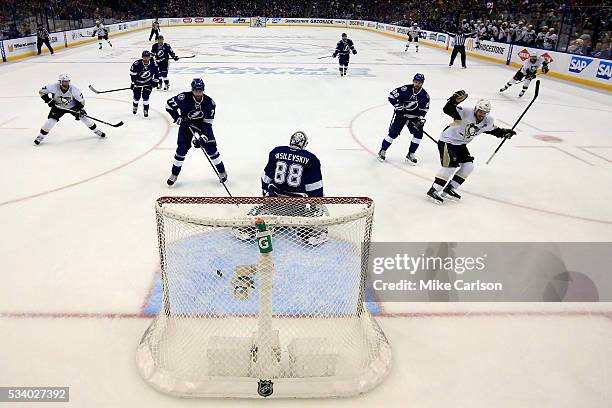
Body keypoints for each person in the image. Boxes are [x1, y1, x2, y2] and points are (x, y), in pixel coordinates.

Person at [426, 91, 515, 204]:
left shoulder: (487, 121)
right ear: (476, 109)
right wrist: (453, 101)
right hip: (448, 141)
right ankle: (434, 190)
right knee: (451, 166)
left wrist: (504, 133)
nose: (481, 114)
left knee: (468, 166)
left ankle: (450, 189)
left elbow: (492, 130)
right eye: (480, 111)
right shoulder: (466, 112)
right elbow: (448, 109)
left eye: (484, 112)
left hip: (461, 144)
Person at [165, 78, 227, 186]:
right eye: (196, 90)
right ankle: (174, 174)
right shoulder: (183, 98)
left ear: (203, 90)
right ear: (192, 90)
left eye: (200, 90)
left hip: (202, 126)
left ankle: (222, 172)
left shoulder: (210, 103)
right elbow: (168, 106)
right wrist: (177, 117)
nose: (198, 92)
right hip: (186, 125)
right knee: (181, 149)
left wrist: (202, 137)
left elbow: (207, 124)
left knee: (211, 148)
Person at [34, 74, 105, 145]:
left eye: (67, 81)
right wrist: (48, 100)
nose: (66, 83)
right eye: (64, 82)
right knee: (50, 122)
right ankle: (40, 136)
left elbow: (82, 101)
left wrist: (79, 109)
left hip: (73, 107)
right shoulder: (53, 87)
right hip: (58, 107)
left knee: (85, 118)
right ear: (60, 81)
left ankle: (96, 131)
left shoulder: (74, 89)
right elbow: (41, 91)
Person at [377, 73, 430, 164]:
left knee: (418, 135)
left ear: (422, 83)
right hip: (401, 116)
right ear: (413, 81)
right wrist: (397, 106)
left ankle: (411, 153)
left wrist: (420, 119)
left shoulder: (424, 95)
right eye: (416, 82)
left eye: (420, 82)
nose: (417, 84)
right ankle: (382, 150)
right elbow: (391, 96)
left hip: (414, 118)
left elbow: (424, 109)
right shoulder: (405, 89)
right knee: (393, 134)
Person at [261, 131, 323, 197]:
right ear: (305, 144)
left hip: (275, 196)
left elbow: (266, 177)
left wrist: (265, 190)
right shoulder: (312, 159)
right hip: (297, 201)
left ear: (291, 141)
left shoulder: (276, 151)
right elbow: (315, 187)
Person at [130, 50, 160, 117]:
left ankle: (145, 109)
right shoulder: (137, 63)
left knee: (145, 96)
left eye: (147, 57)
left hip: (148, 83)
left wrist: (156, 81)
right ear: (142, 57)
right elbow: (133, 74)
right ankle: (135, 106)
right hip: (138, 83)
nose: (146, 58)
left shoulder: (153, 64)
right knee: (136, 96)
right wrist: (133, 83)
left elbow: (157, 73)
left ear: (149, 57)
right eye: (144, 57)